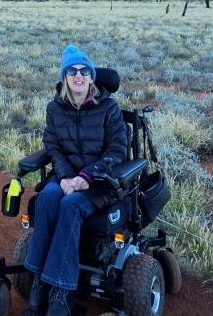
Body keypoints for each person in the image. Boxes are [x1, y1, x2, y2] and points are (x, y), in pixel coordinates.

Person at [24, 44, 128, 316]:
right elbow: (53, 146)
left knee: (70, 207)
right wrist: (67, 178)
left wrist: (84, 177)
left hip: (101, 183)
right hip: (65, 177)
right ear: (65, 77)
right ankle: (37, 279)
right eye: (72, 71)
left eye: (84, 71)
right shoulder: (54, 109)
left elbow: (118, 151)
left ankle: (62, 292)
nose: (79, 76)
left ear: (92, 77)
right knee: (46, 198)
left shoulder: (109, 108)